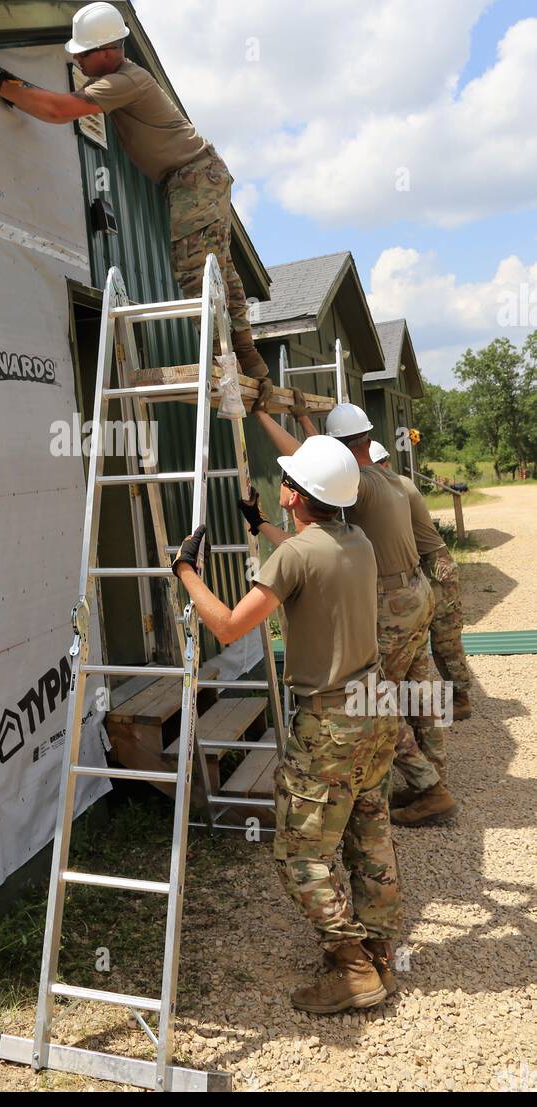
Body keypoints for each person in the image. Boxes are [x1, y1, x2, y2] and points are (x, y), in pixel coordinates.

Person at [172, 436, 401, 1013]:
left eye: (287, 483)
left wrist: (186, 572)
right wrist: (265, 525)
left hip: (330, 724)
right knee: (368, 832)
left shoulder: (298, 555)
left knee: (300, 853)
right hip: (376, 710)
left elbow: (226, 625)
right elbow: (305, 559)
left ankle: (353, 972)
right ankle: (379, 955)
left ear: (297, 495)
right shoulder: (359, 542)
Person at [0, 1, 268, 380]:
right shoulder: (118, 79)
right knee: (220, 270)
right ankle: (249, 361)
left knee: (196, 272)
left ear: (107, 52)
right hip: (198, 176)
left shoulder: (126, 79)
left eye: (83, 55)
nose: (78, 63)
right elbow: (58, 103)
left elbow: (58, 111)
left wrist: (1, 81)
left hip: (193, 177)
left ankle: (226, 364)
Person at [251, 394, 457, 828]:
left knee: (378, 701)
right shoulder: (382, 477)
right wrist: (305, 417)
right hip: (416, 595)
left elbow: (309, 465)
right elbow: (324, 462)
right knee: (418, 688)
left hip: (393, 606)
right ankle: (434, 773)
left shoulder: (357, 486)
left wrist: (263, 416)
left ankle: (429, 787)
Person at [370, 441, 471, 724]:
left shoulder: (398, 485)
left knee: (445, 637)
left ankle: (461, 697)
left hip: (434, 566)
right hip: (425, 567)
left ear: (384, 464)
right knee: (424, 638)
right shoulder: (392, 484)